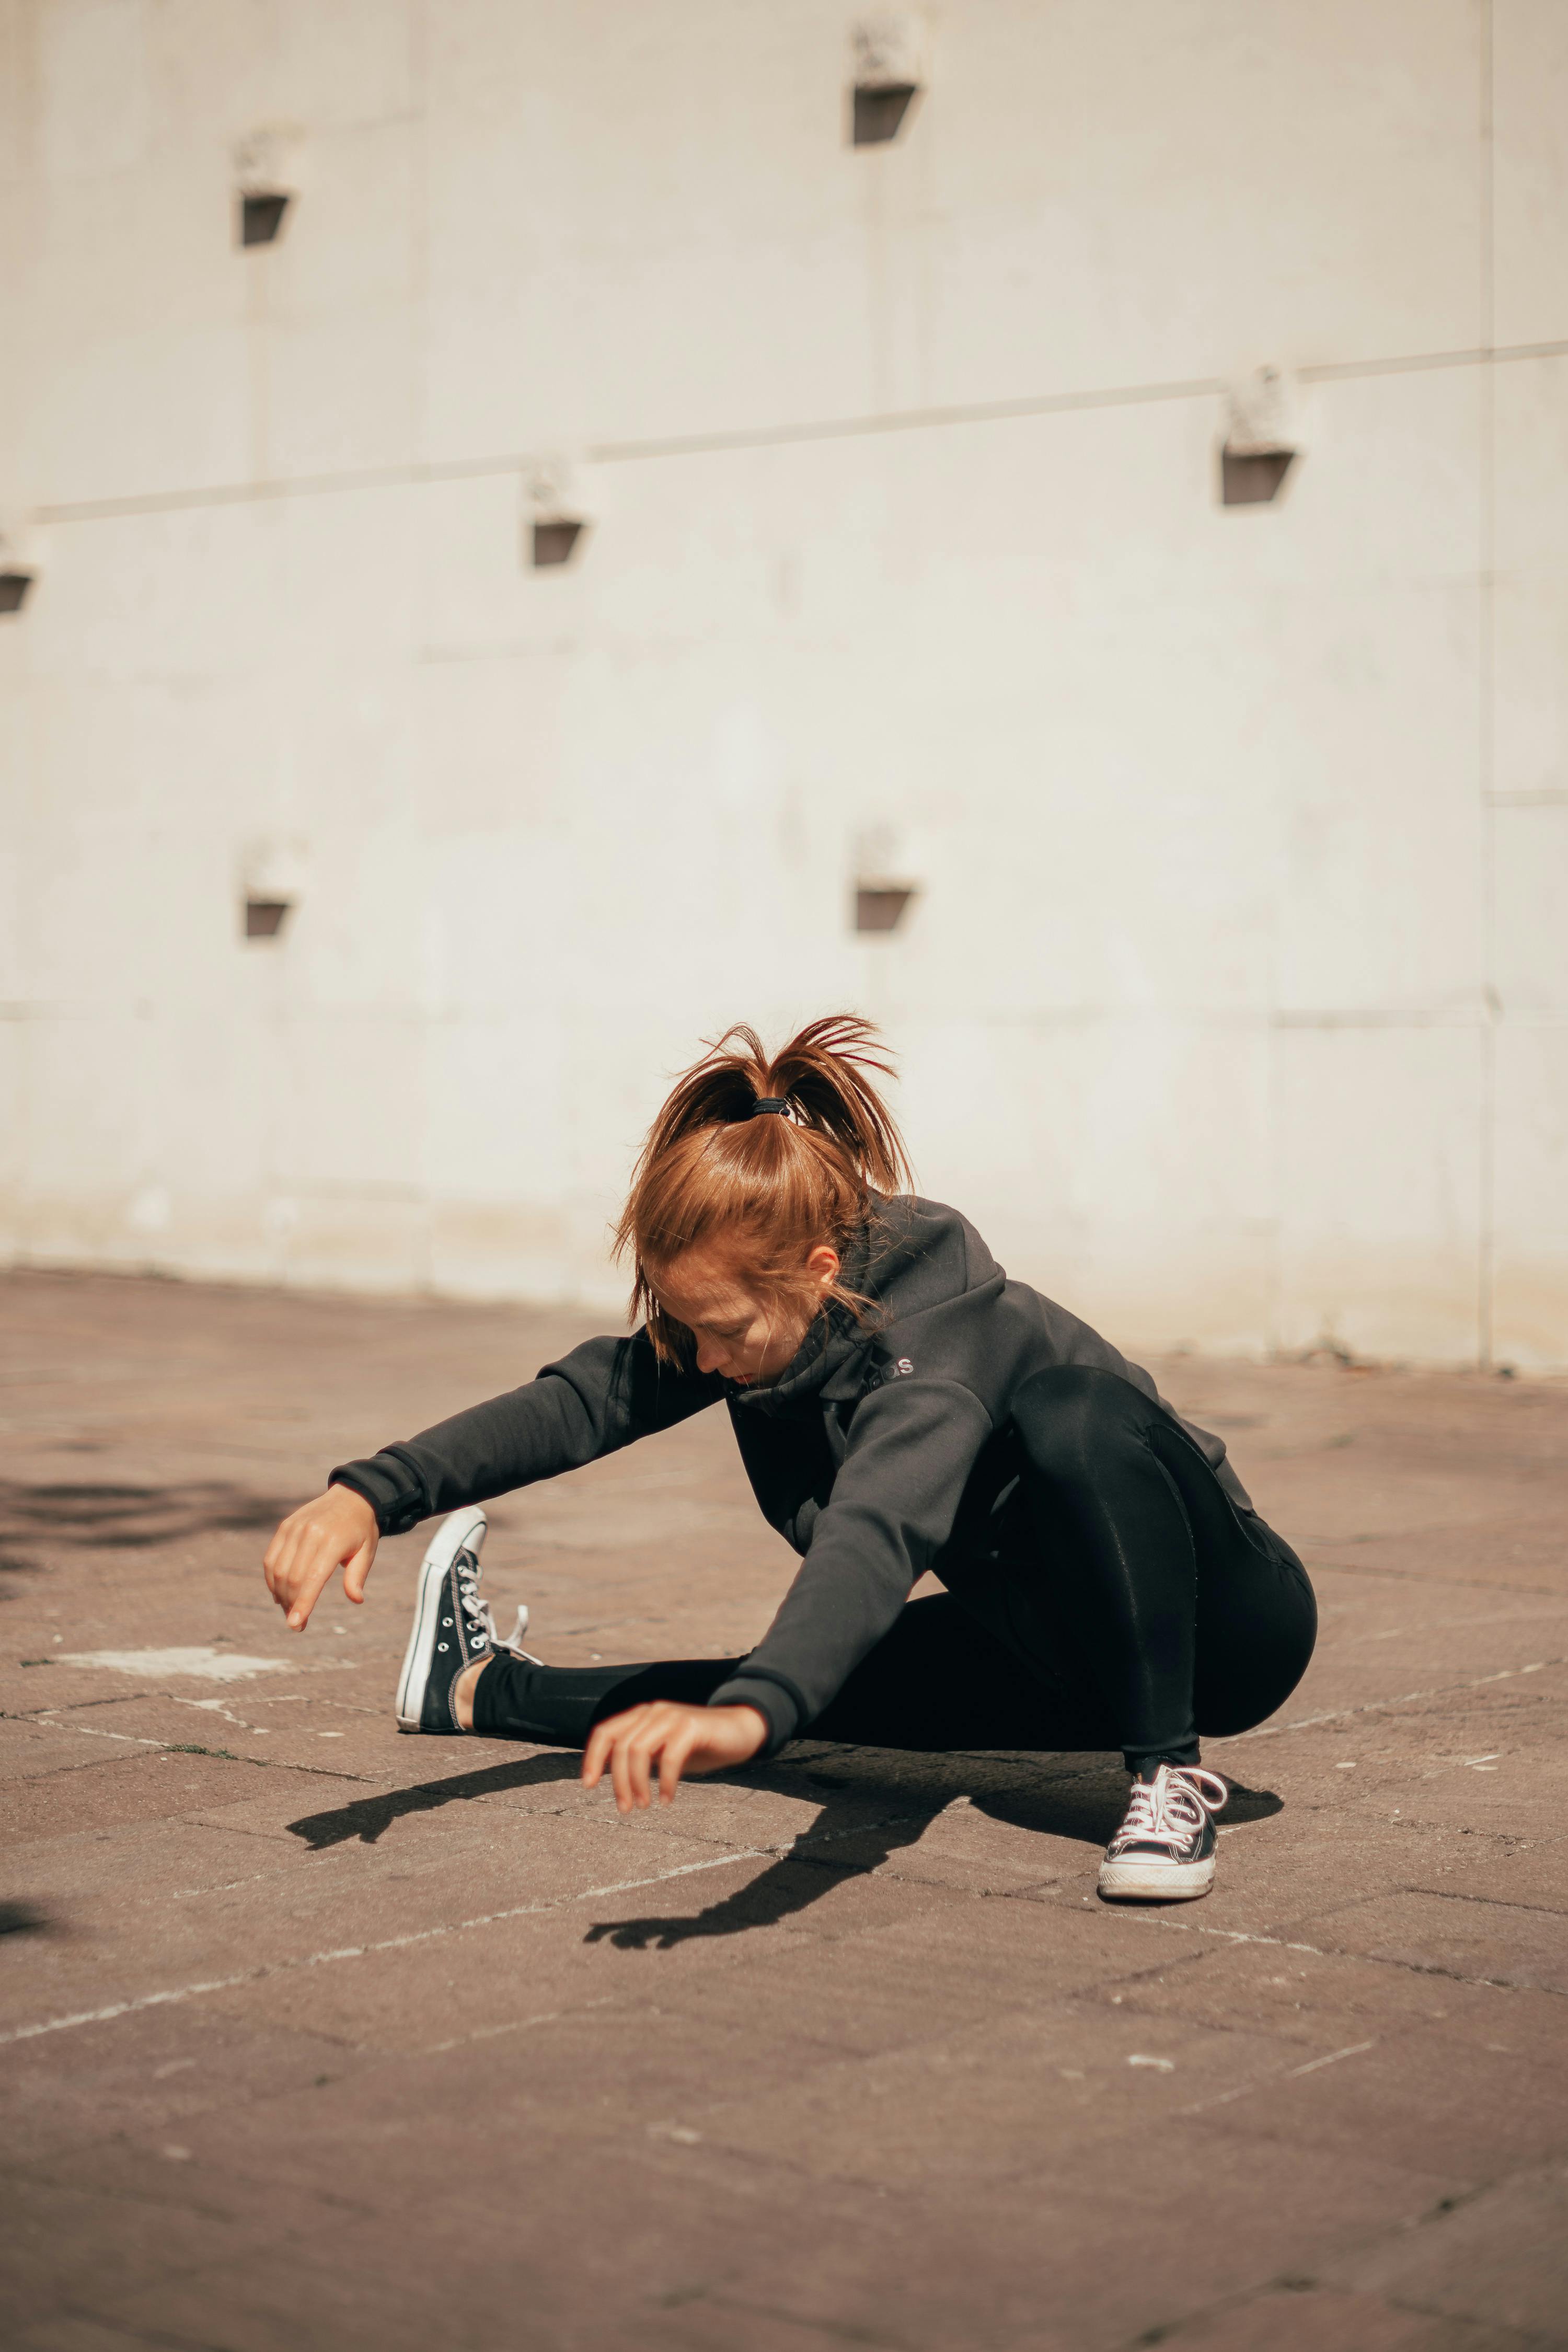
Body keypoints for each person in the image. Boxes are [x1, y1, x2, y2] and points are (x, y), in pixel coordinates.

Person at [262, 1016, 1315, 1903]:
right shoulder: (754, 1316)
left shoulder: (939, 1347)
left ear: (817, 1274)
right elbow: (584, 1401)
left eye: (718, 1330)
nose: (704, 1360)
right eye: (685, 1328)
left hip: (1227, 1626)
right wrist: (373, 1492)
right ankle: (478, 1686)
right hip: (1047, 1647)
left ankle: (1167, 1782)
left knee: (1072, 1412)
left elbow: (875, 1532)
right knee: (769, 1697)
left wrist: (762, 1708)